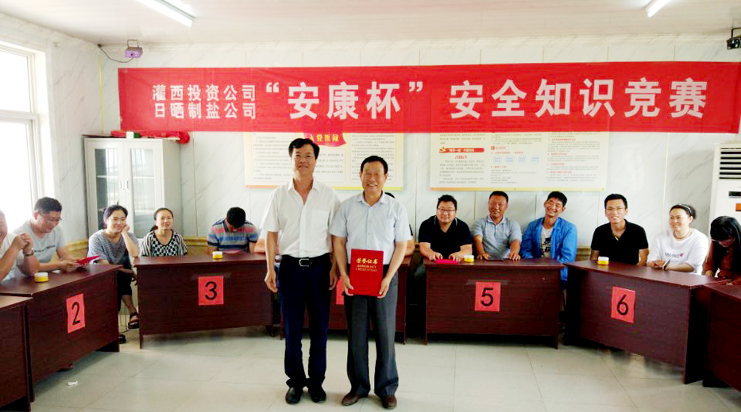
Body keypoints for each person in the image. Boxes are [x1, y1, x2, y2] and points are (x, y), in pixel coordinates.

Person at [262, 138, 341, 405]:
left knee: (320, 329)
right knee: (292, 329)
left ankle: (316, 382)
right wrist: (270, 269)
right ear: (291, 159)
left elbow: (336, 236)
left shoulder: (328, 195)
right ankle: (295, 382)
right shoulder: (278, 195)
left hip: (320, 268)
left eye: (308, 155)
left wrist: (334, 267)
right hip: (290, 269)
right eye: (298, 155)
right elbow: (271, 235)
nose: (303, 160)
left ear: (316, 160)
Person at [330, 155, 410, 410]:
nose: (372, 178)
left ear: (385, 177)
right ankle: (358, 386)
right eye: (367, 173)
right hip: (355, 273)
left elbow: (401, 245)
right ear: (360, 175)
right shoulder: (347, 206)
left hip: (385, 273)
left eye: (377, 174)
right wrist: (343, 273)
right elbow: (339, 241)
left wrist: (389, 276)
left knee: (385, 333)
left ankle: (387, 389)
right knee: (356, 333)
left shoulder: (396, 208)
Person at [88, 205, 140, 330]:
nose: (119, 223)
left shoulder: (129, 236)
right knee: (115, 276)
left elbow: (134, 253)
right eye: (115, 219)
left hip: (120, 275)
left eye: (123, 219)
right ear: (105, 220)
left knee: (119, 276)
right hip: (99, 275)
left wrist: (124, 233)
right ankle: (132, 313)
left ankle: (116, 325)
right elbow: (104, 265)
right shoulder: (96, 238)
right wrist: (129, 272)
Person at [521, 191, 577, 286]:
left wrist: (549, 270)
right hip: (535, 273)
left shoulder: (569, 228)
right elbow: (525, 251)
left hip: (558, 275)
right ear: (545, 203)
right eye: (550, 202)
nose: (552, 207)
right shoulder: (532, 226)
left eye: (557, 205)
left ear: (562, 209)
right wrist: (535, 267)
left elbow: (568, 257)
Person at [14, 197, 79, 273]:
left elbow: (64, 254)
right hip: (24, 278)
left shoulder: (56, 230)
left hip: (45, 275)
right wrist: (59, 265)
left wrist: (74, 261)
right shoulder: (19, 235)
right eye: (50, 220)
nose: (54, 224)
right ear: (36, 215)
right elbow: (28, 268)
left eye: (57, 220)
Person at [647, 204, 708, 274]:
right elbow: (650, 261)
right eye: (671, 217)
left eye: (678, 218)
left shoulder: (700, 239)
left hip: (689, 279)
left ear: (690, 219)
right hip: (662, 277)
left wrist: (666, 266)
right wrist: (654, 263)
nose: (674, 221)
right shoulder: (660, 237)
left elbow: (692, 267)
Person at [590, 194, 649, 265]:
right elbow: (594, 259)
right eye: (610, 209)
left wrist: (634, 271)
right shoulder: (599, 231)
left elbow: (644, 259)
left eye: (619, 208)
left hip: (631, 271)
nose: (614, 212)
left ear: (626, 211)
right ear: (605, 212)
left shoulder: (638, 231)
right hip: (604, 271)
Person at [418, 194, 473, 262]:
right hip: (431, 262)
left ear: (455, 212)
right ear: (436, 210)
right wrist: (432, 254)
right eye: (442, 209)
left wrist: (458, 254)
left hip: (455, 263)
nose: (445, 213)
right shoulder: (426, 224)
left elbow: (467, 250)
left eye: (449, 210)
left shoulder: (462, 227)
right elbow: (424, 248)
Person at [471, 191, 522, 260]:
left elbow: (515, 240)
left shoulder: (512, 224)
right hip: (485, 260)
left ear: (506, 206)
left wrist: (514, 253)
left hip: (506, 261)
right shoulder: (479, 222)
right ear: (488, 204)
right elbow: (477, 240)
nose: (496, 207)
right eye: (493, 203)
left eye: (500, 204)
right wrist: (482, 253)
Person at [0, 209, 39, 282]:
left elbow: (32, 272)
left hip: (11, 287)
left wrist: (28, 252)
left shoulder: (13, 238)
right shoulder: (15, 243)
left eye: (0, 224)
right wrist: (14, 248)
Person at [703, 216, 741, 284]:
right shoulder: (716, 242)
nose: (721, 243)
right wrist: (709, 274)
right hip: (723, 282)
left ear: (735, 234)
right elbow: (710, 263)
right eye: (718, 240)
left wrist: (733, 284)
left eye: (726, 240)